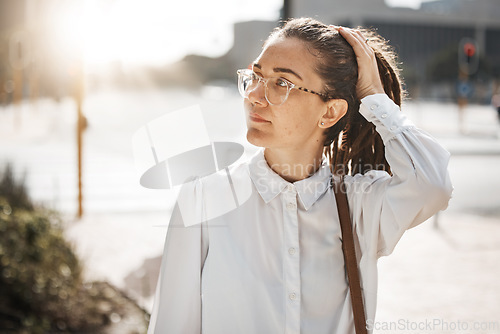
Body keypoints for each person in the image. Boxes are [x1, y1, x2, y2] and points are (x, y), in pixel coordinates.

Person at [147, 18, 453, 334]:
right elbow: (173, 323)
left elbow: (433, 185)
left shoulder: (359, 206)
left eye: (281, 83)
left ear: (330, 112)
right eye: (255, 76)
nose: (254, 94)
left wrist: (374, 97)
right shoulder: (204, 198)